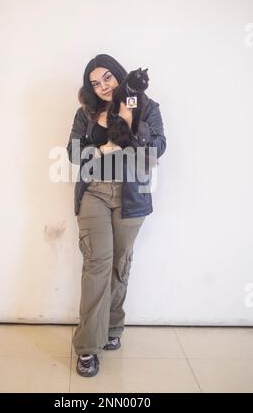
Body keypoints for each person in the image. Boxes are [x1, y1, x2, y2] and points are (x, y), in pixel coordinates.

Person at [66, 54, 166, 377]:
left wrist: (132, 119)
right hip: (94, 191)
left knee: (120, 263)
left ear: (119, 76)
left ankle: (112, 328)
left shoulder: (147, 106)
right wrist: (101, 146)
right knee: (98, 262)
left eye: (107, 78)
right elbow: (72, 153)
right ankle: (87, 347)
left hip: (131, 196)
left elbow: (159, 147)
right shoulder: (86, 113)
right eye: (95, 83)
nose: (102, 86)